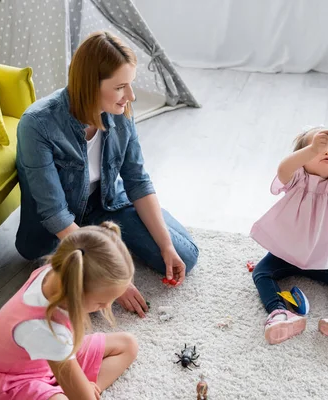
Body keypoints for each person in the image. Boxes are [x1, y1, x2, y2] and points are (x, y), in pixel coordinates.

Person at [15, 31, 199, 318]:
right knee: (76, 301)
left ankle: (126, 233)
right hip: (57, 230)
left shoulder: (120, 109)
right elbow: (56, 215)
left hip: (107, 204)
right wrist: (117, 280)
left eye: (130, 84)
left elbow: (137, 180)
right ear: (90, 85)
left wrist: (165, 245)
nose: (131, 96)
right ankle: (109, 243)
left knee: (184, 256)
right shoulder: (37, 124)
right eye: (121, 86)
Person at [0, 222, 138, 399]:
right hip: (14, 383)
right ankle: (72, 389)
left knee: (128, 344)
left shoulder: (59, 270)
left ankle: (86, 388)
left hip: (43, 360)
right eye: (101, 302)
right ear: (75, 290)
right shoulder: (42, 328)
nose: (106, 306)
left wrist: (85, 390)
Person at [250, 126, 328, 351]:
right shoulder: (297, 178)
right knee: (261, 272)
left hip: (323, 259)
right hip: (285, 253)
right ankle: (280, 314)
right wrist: (312, 149)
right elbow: (284, 168)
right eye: (320, 147)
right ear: (302, 157)